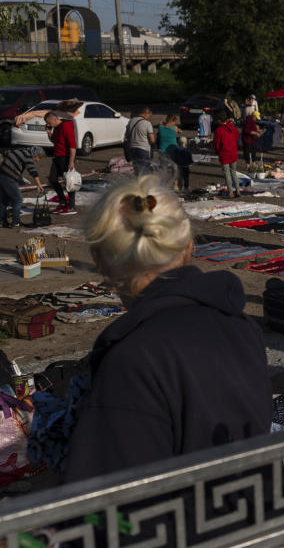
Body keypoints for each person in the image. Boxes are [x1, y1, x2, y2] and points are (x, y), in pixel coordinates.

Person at [63, 175, 272, 481]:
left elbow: (105, 504)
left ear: (100, 261)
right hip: (252, 510)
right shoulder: (242, 327)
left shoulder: (132, 359)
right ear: (188, 248)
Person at [0, 146, 44, 227]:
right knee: (18, 199)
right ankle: (16, 222)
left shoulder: (20, 150)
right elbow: (32, 171)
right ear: (35, 154)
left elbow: (5, 153)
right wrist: (39, 185)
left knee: (4, 199)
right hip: (9, 177)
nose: (37, 160)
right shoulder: (28, 155)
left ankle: (2, 220)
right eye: (38, 157)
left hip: (2, 174)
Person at [212, 111, 241, 198]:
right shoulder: (232, 127)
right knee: (234, 173)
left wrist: (217, 151)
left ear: (220, 120)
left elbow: (216, 144)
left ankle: (230, 192)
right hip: (233, 152)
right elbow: (236, 137)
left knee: (227, 173)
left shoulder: (218, 130)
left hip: (224, 153)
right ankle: (238, 190)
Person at [124, 106, 155, 175]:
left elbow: (127, 136)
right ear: (145, 113)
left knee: (137, 169)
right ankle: (144, 185)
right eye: (150, 114)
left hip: (132, 149)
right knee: (145, 171)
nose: (150, 116)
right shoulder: (147, 123)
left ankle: (138, 183)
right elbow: (152, 140)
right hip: (143, 149)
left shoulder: (131, 121)